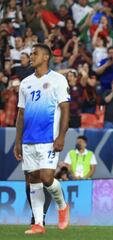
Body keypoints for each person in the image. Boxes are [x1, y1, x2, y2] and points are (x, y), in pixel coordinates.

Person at [13, 43, 70, 234]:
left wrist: (61, 136)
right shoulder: (25, 83)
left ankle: (62, 206)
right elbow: (21, 114)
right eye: (31, 54)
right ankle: (38, 224)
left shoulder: (58, 80)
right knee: (33, 180)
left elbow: (65, 109)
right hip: (29, 139)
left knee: (46, 178)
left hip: (48, 138)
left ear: (46, 57)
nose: (31, 56)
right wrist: (18, 141)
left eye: (35, 53)